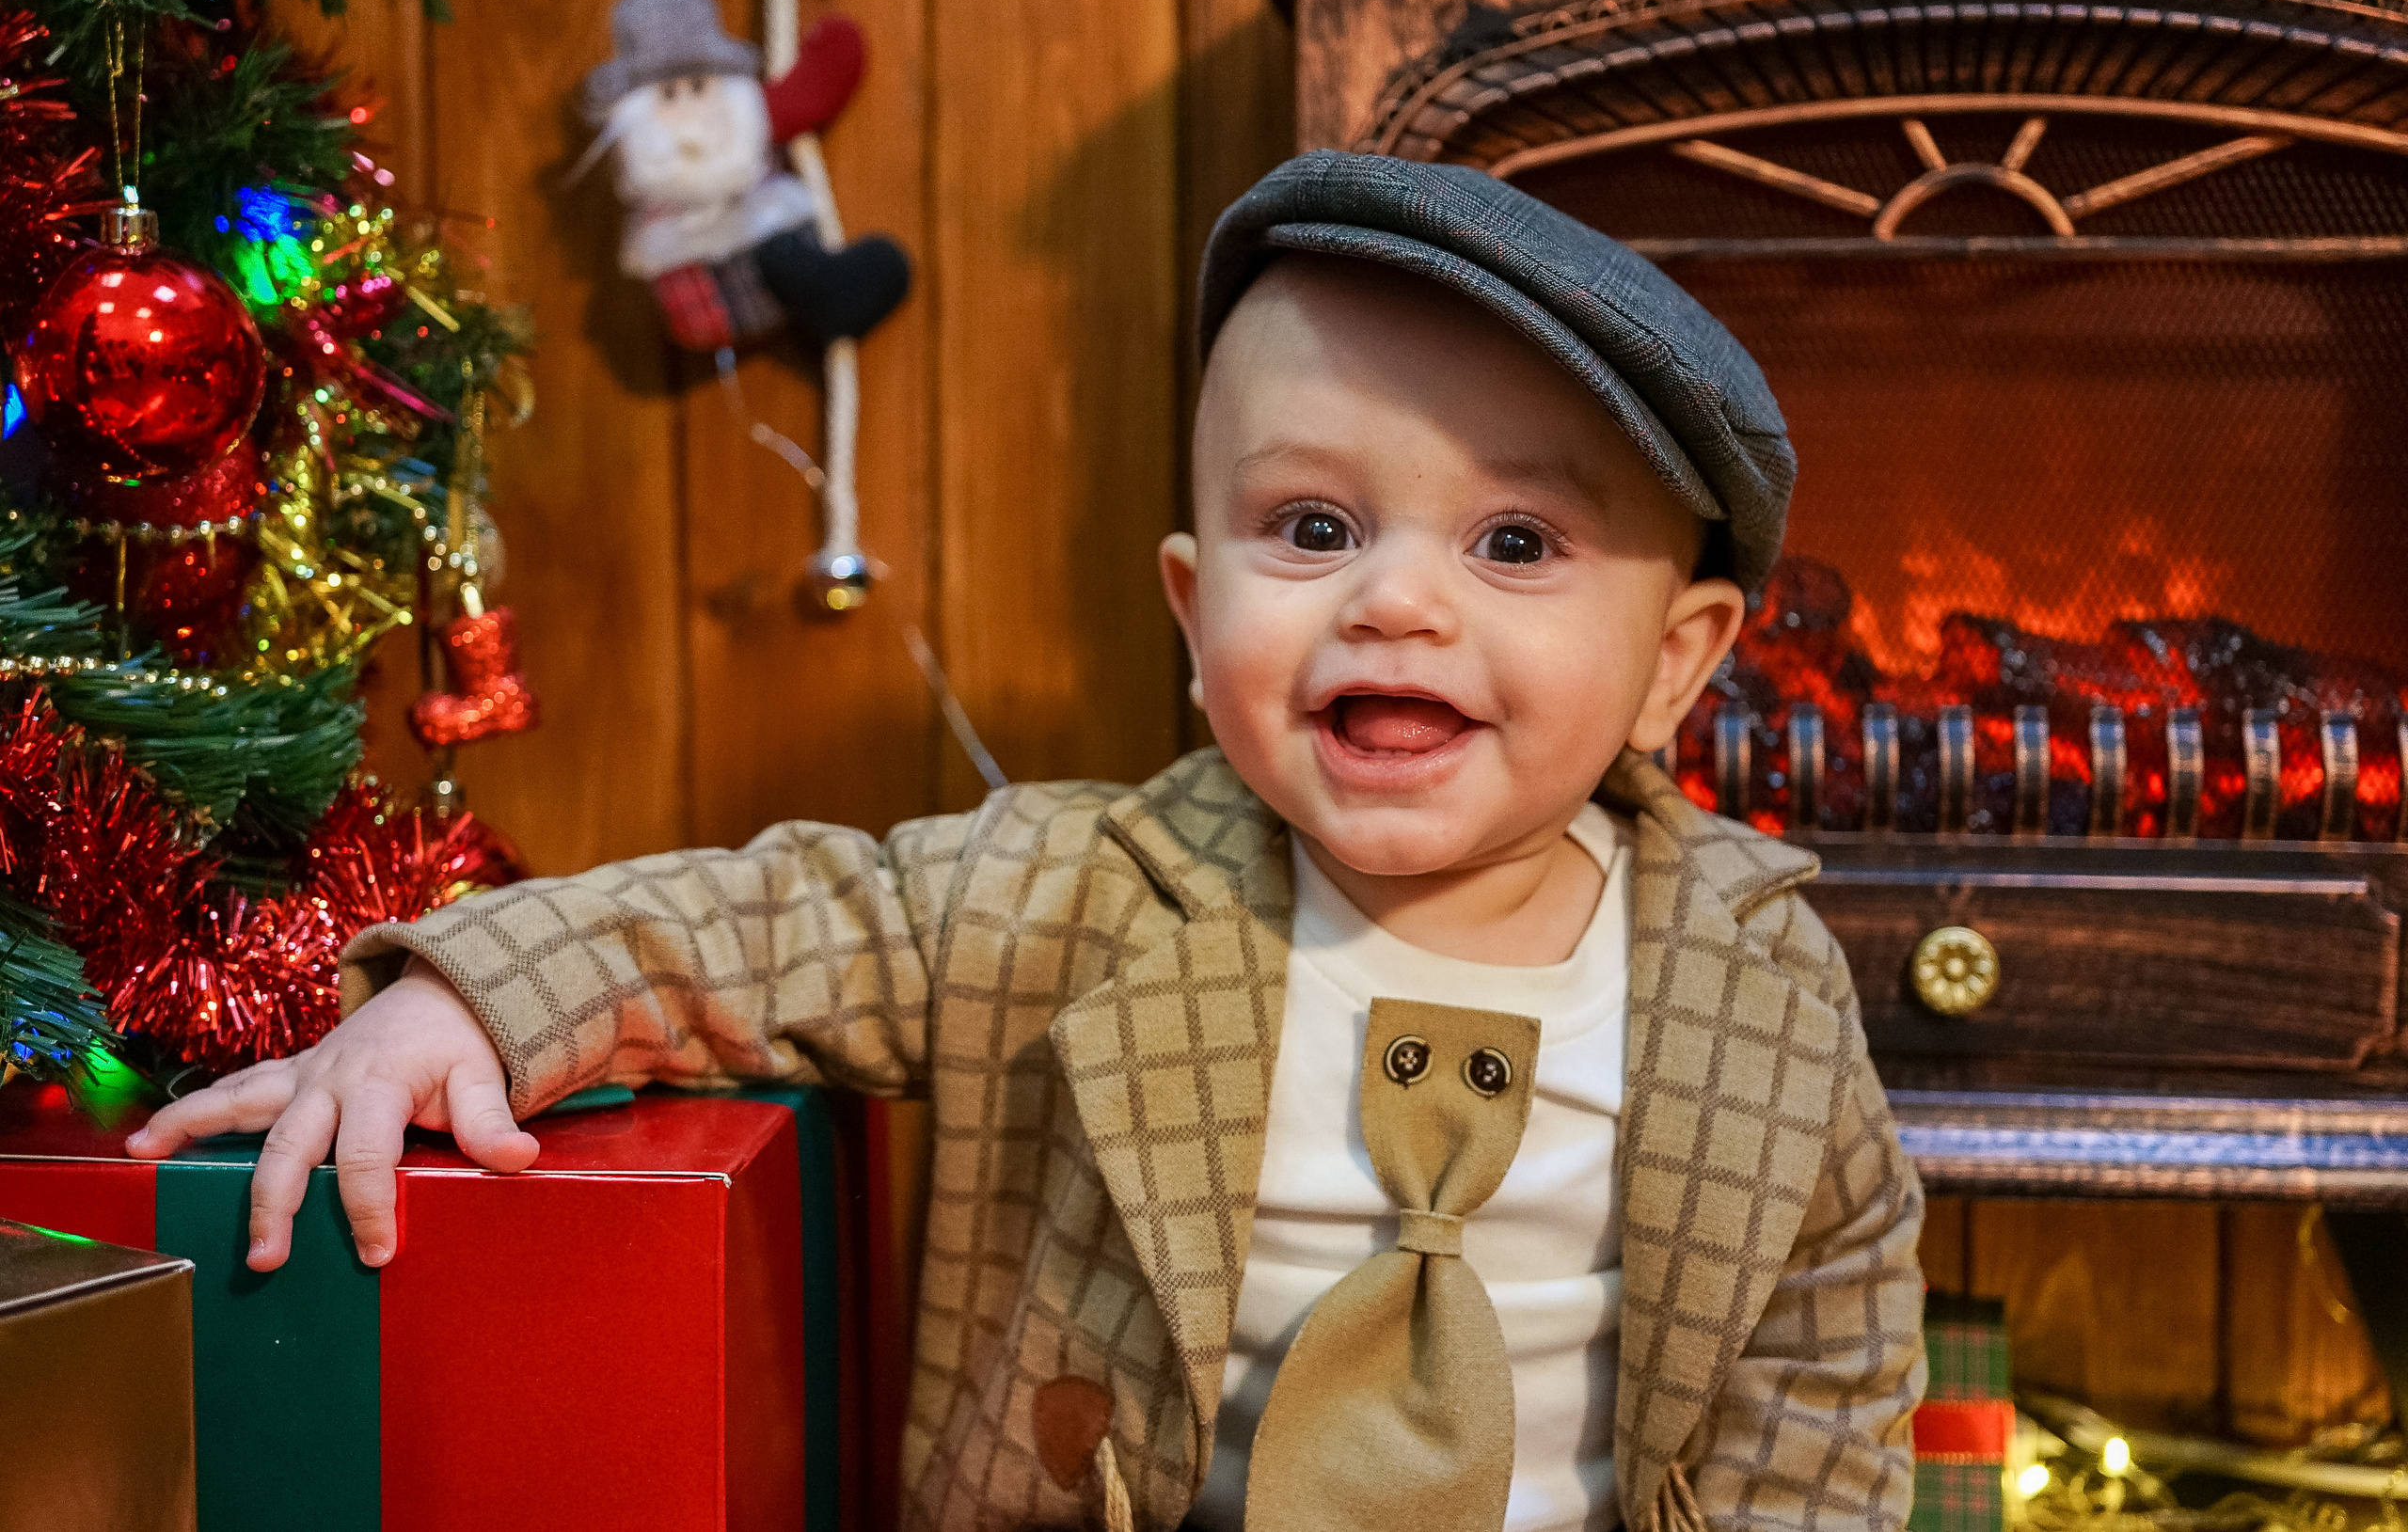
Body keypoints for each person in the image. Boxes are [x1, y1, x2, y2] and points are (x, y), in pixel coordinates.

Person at [129, 150, 1925, 1532]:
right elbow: (772, 926)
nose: (1398, 602)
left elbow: (1820, 1383)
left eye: (1515, 547)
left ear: (1674, 663)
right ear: (1192, 603)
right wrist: (468, 1001)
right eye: (1311, 526)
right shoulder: (1072, 889)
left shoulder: (1747, 988)